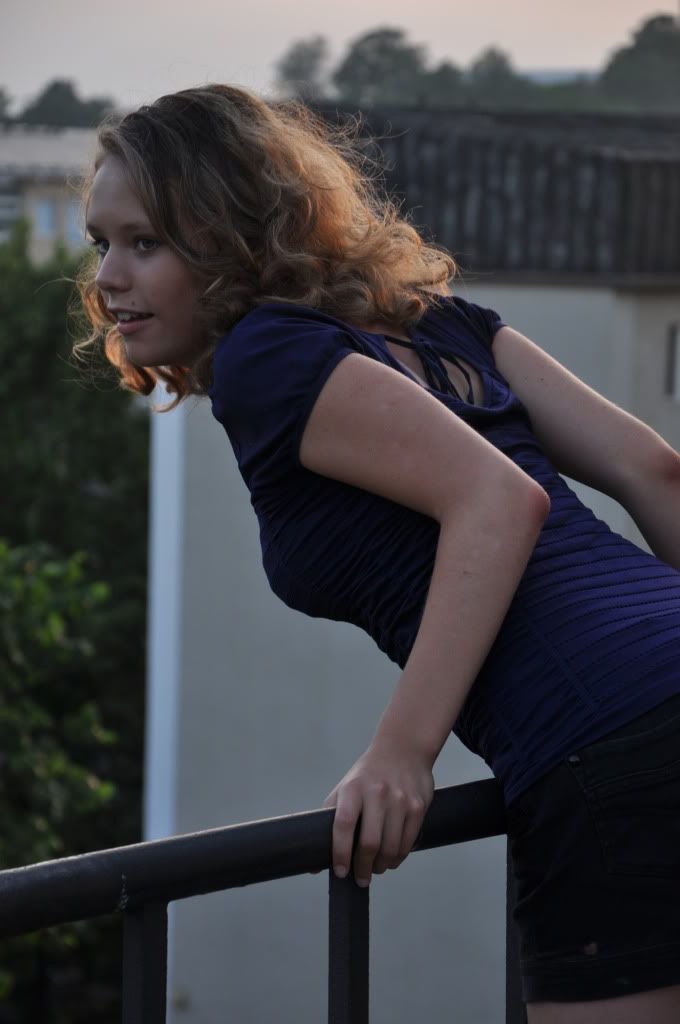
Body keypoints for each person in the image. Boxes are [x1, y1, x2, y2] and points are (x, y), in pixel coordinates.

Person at [74, 83, 680, 1022]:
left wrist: (402, 753)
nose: (109, 277)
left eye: (145, 242)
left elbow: (498, 500)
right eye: (100, 243)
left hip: (603, 744)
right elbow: (658, 470)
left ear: (229, 235)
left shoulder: (266, 356)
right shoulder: (443, 320)